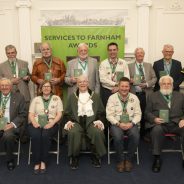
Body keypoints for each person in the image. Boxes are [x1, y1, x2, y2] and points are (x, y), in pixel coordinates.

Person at [63, 75, 106, 170]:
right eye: (80, 82)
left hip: (92, 121)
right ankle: (74, 157)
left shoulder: (95, 96)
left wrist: (99, 121)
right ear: (77, 84)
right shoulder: (72, 96)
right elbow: (67, 112)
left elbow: (101, 112)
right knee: (73, 131)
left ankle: (96, 155)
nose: (82, 83)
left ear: (88, 83)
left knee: (97, 131)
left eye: (84, 81)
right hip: (76, 121)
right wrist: (69, 121)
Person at [145, 75, 184, 173]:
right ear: (160, 84)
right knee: (156, 130)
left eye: (169, 83)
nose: (166, 85)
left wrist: (183, 119)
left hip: (177, 123)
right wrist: (154, 119)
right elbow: (146, 113)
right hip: (160, 124)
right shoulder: (152, 96)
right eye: (164, 83)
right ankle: (157, 158)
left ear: (172, 85)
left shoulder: (180, 95)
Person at [106, 77, 141, 172]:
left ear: (129, 87)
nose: (124, 88)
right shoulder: (112, 98)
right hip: (117, 123)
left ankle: (129, 160)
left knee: (135, 136)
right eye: (122, 86)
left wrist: (132, 123)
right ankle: (121, 160)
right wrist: (118, 123)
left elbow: (138, 114)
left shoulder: (134, 98)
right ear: (118, 86)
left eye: (126, 86)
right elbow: (109, 115)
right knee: (117, 136)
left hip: (131, 123)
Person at [28, 81, 63, 174]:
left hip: (51, 123)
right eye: (44, 86)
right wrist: (35, 123)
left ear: (51, 88)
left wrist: (52, 123)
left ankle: (43, 161)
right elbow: (31, 114)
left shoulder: (57, 98)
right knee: (36, 136)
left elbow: (59, 114)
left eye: (48, 86)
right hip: (36, 123)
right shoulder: (36, 99)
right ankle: (36, 162)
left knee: (45, 135)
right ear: (41, 88)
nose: (46, 88)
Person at [0, 45, 31, 142]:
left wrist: (27, 78)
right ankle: (10, 136)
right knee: (10, 115)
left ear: (16, 52)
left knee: (24, 116)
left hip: (23, 93)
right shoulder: (1, 66)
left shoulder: (24, 63)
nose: (11, 55)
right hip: (8, 94)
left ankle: (23, 137)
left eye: (12, 52)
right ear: (6, 54)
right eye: (8, 53)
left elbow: (28, 76)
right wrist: (11, 81)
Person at [128, 47, 157, 138]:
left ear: (144, 55)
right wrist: (130, 80)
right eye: (138, 53)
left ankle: (144, 134)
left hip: (146, 94)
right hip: (134, 94)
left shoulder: (149, 65)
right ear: (135, 55)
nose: (140, 54)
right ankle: (133, 133)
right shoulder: (129, 66)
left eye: (142, 53)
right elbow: (125, 79)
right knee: (133, 113)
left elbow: (154, 78)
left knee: (145, 113)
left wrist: (147, 84)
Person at [0, 78, 26, 171]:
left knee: (8, 136)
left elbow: (23, 114)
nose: (4, 87)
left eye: (6, 85)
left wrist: (12, 124)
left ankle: (9, 159)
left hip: (11, 124)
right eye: (2, 85)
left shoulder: (19, 97)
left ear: (11, 87)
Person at [99, 42, 130, 107]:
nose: (112, 52)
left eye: (114, 50)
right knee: (107, 111)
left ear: (117, 50)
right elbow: (102, 79)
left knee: (120, 110)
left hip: (120, 91)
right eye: (110, 50)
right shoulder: (103, 63)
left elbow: (127, 78)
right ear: (108, 51)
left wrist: (118, 87)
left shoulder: (123, 63)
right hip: (106, 92)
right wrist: (116, 84)